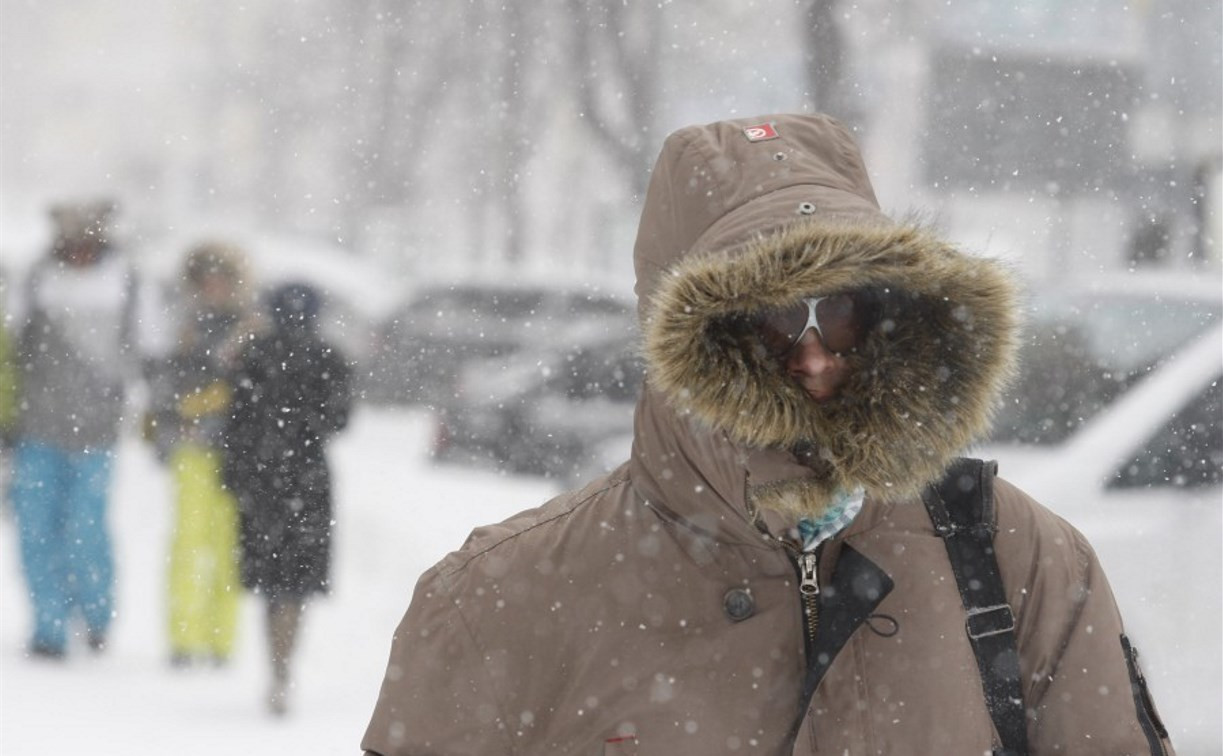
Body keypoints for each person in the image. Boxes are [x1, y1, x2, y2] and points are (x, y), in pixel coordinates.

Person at [360, 114, 1174, 755]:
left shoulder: (1013, 555)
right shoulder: (505, 596)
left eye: (844, 311)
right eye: (779, 317)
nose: (816, 354)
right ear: (689, 339)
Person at [9, 199, 136, 659]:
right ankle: (49, 627)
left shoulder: (127, 282)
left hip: (97, 433)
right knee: (35, 530)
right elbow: (11, 353)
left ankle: (97, 615)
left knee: (87, 529)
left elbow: (147, 351)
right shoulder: (35, 281)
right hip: (37, 426)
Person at [223, 282, 352, 715]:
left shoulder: (253, 354)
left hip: (262, 480)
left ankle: (276, 669)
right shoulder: (330, 358)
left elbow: (236, 421)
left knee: (272, 585)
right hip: (308, 479)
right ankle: (283, 667)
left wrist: (236, 473)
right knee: (297, 584)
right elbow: (340, 419)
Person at [145, 242, 257, 667]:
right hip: (190, 449)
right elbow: (161, 383)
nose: (213, 286)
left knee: (228, 545)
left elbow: (254, 388)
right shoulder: (179, 325)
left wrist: (221, 401)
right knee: (187, 543)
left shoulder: (249, 327)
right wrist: (176, 416)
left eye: (221, 278)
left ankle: (222, 640)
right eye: (205, 278)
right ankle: (184, 638)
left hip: (235, 453)